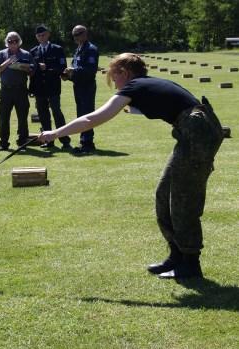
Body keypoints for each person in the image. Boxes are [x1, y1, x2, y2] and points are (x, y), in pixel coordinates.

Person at [39, 53, 223, 279]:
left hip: (198, 134)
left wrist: (55, 134)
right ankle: (176, 256)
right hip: (193, 131)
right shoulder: (144, 85)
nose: (114, 84)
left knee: (183, 200)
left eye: (114, 78)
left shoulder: (134, 86)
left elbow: (92, 119)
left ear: (124, 73)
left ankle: (190, 265)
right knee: (163, 194)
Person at [29, 24, 71, 150]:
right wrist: (31, 89)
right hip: (39, 89)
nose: (41, 37)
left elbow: (62, 68)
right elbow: (31, 73)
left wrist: (47, 68)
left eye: (43, 35)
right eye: (39, 36)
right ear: (36, 37)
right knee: (43, 115)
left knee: (57, 113)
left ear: (48, 34)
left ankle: (65, 140)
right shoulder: (33, 51)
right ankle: (48, 140)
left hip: (53, 87)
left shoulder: (57, 49)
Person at [0, 32, 35, 151]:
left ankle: (22, 143)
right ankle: (3, 143)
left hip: (21, 90)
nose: (13, 43)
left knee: (22, 118)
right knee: (4, 117)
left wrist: (26, 67)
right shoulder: (1, 54)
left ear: (19, 41)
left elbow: (32, 71)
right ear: (7, 43)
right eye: (10, 41)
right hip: (6, 91)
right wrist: (7, 62)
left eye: (16, 40)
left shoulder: (26, 54)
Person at [61, 25, 99, 154]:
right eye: (74, 35)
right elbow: (75, 66)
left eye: (78, 34)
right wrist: (68, 76)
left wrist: (73, 70)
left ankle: (88, 143)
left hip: (87, 86)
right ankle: (84, 141)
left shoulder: (91, 49)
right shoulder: (78, 49)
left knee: (87, 114)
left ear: (85, 33)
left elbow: (90, 70)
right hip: (78, 86)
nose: (76, 37)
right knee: (81, 114)